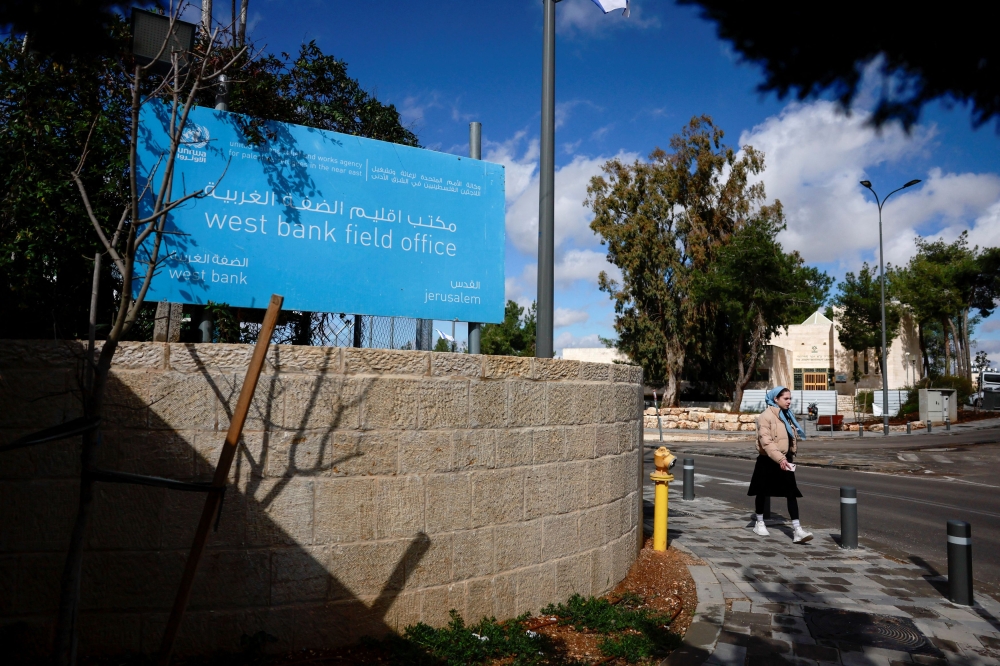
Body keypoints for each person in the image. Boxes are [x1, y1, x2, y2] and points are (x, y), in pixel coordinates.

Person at [749, 386, 813, 543]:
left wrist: (790, 454)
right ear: (775, 399)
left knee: (791, 493)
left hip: (785, 459)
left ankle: (797, 530)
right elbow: (766, 441)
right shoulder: (765, 417)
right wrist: (780, 458)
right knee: (762, 491)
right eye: (786, 398)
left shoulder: (787, 415)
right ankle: (759, 522)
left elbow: (790, 438)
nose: (789, 401)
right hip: (768, 460)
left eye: (790, 398)